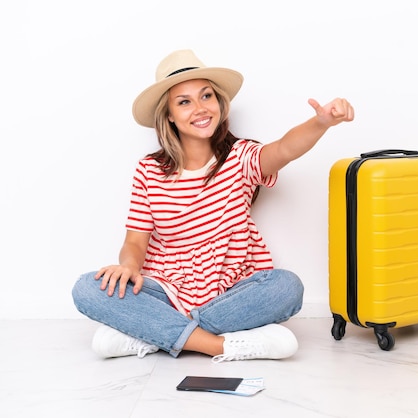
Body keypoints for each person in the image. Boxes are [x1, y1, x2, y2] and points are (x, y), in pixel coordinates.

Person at [71, 49, 354, 362]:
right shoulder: (148, 171)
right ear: (168, 115)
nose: (200, 108)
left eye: (206, 96)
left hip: (230, 293)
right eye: (184, 101)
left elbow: (284, 149)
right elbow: (135, 242)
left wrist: (321, 122)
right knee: (87, 288)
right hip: (167, 293)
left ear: (219, 102)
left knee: (287, 287)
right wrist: (128, 267)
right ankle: (218, 344)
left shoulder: (240, 158)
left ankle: (156, 334)